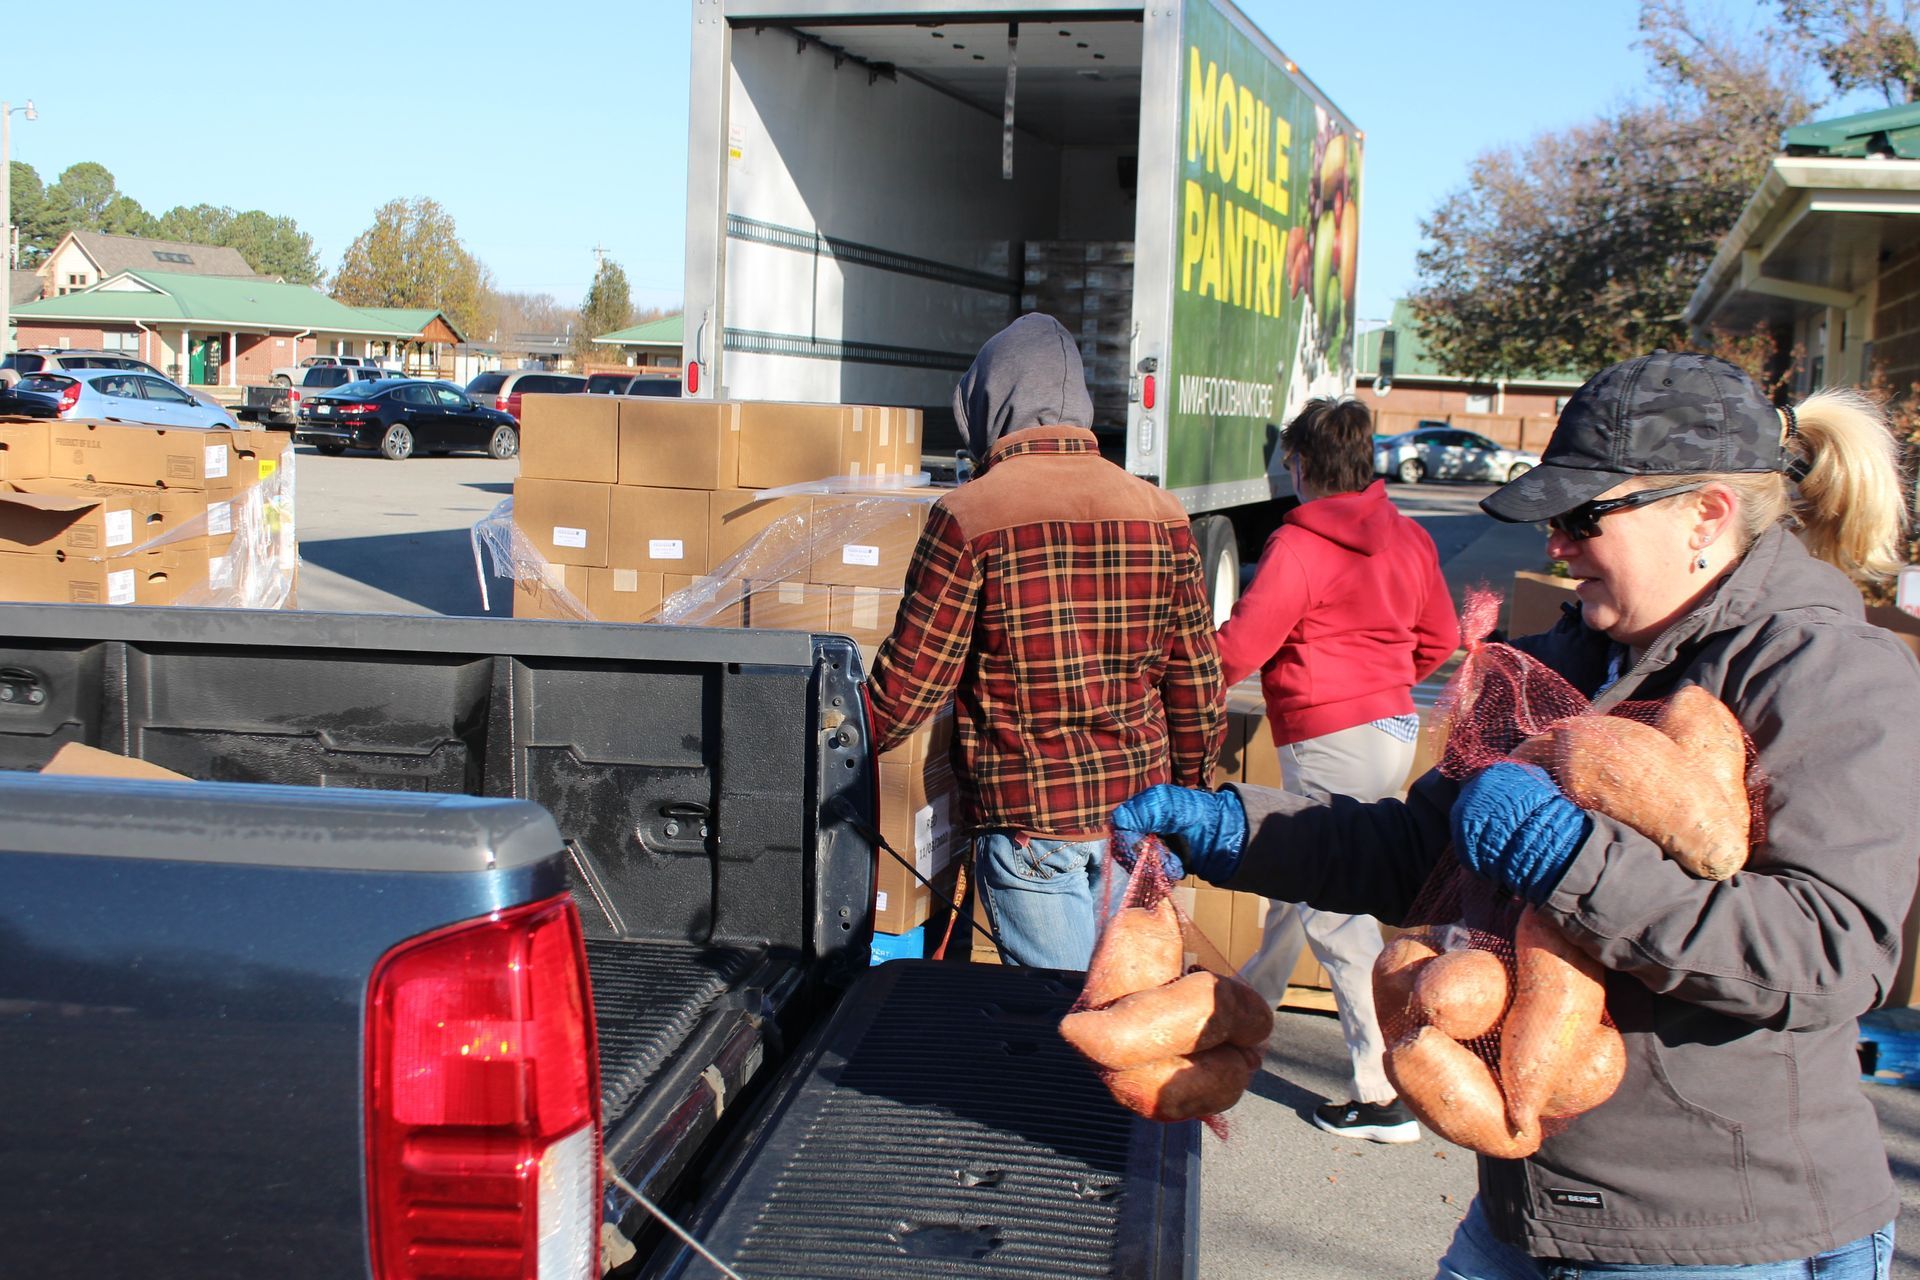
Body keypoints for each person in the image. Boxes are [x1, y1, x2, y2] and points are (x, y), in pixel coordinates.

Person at [1113, 351, 1917, 1274]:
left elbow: (1826, 954)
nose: (1557, 546)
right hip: (1530, 1206)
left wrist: (1567, 858)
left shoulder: (1826, 671)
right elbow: (1417, 851)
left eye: (1581, 517)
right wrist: (1227, 829)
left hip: (1723, 1234)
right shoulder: (1568, 662)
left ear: (1705, 512)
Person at [865, 312, 1225, 970]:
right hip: (1139, 817)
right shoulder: (1163, 513)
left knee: (1056, 1020)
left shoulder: (970, 514)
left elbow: (910, 687)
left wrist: (820, 746)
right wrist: (1190, 800)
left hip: (1031, 821)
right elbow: (1197, 688)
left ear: (988, 402)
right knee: (1124, 1012)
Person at [1216, 396, 1459, 1143]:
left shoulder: (1299, 543)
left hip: (1328, 735)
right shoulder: (1409, 534)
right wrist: (1383, 682)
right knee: (1309, 877)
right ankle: (1248, 1009)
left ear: (1301, 463)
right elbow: (1440, 635)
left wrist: (1179, 682)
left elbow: (1242, 646)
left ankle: (1381, 1091)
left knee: (1334, 907)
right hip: (1391, 726)